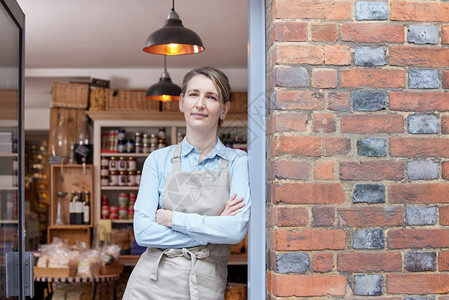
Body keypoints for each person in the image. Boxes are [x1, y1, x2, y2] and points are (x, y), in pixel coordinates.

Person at [123, 66, 251, 300]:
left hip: (205, 287)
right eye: (194, 94)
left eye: (211, 97)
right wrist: (210, 231)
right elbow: (143, 233)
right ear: (182, 102)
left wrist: (173, 220)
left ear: (224, 109)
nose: (200, 104)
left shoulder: (238, 162)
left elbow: (235, 230)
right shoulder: (158, 160)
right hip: (149, 285)